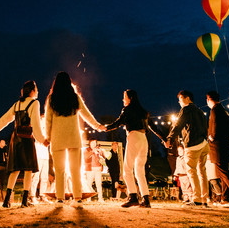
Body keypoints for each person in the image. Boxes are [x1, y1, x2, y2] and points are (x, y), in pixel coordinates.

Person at [45, 71, 106, 208]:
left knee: (59, 170)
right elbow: (86, 114)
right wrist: (97, 126)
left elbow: (48, 121)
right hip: (73, 137)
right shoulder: (75, 97)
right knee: (75, 169)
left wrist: (48, 137)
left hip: (57, 138)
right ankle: (77, 199)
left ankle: (59, 199)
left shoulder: (51, 99)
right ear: (69, 83)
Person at [0, 80, 49, 208]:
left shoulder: (17, 104)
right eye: (36, 89)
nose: (38, 92)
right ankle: (24, 201)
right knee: (28, 169)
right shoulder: (35, 103)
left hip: (15, 138)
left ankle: (7, 200)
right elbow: (35, 124)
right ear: (32, 91)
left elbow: (6, 118)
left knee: (15, 169)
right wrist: (42, 140)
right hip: (26, 138)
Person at [106, 89, 152, 208]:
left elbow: (118, 122)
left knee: (127, 170)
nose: (123, 99)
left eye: (124, 97)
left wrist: (106, 128)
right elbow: (153, 127)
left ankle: (133, 197)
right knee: (140, 171)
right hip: (144, 139)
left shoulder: (127, 109)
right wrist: (164, 139)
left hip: (134, 137)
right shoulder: (143, 112)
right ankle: (146, 199)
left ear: (130, 98)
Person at [165, 90, 209, 207]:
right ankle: (205, 198)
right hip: (204, 143)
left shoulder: (186, 109)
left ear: (187, 98)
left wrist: (169, 138)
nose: (179, 101)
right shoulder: (199, 111)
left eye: (180, 99)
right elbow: (206, 126)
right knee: (202, 172)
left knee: (192, 171)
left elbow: (178, 125)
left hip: (193, 144)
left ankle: (197, 199)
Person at [206, 91, 229, 206]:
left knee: (223, 172)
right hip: (225, 143)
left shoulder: (215, 110)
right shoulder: (224, 111)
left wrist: (212, 136)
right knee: (224, 173)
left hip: (217, 145)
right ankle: (225, 198)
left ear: (209, 99)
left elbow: (215, 124)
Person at [30, 112, 51, 204]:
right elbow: (37, 135)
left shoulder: (48, 127)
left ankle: (42, 195)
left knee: (44, 177)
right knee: (35, 176)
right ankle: (32, 196)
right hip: (37, 153)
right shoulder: (37, 125)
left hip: (45, 155)